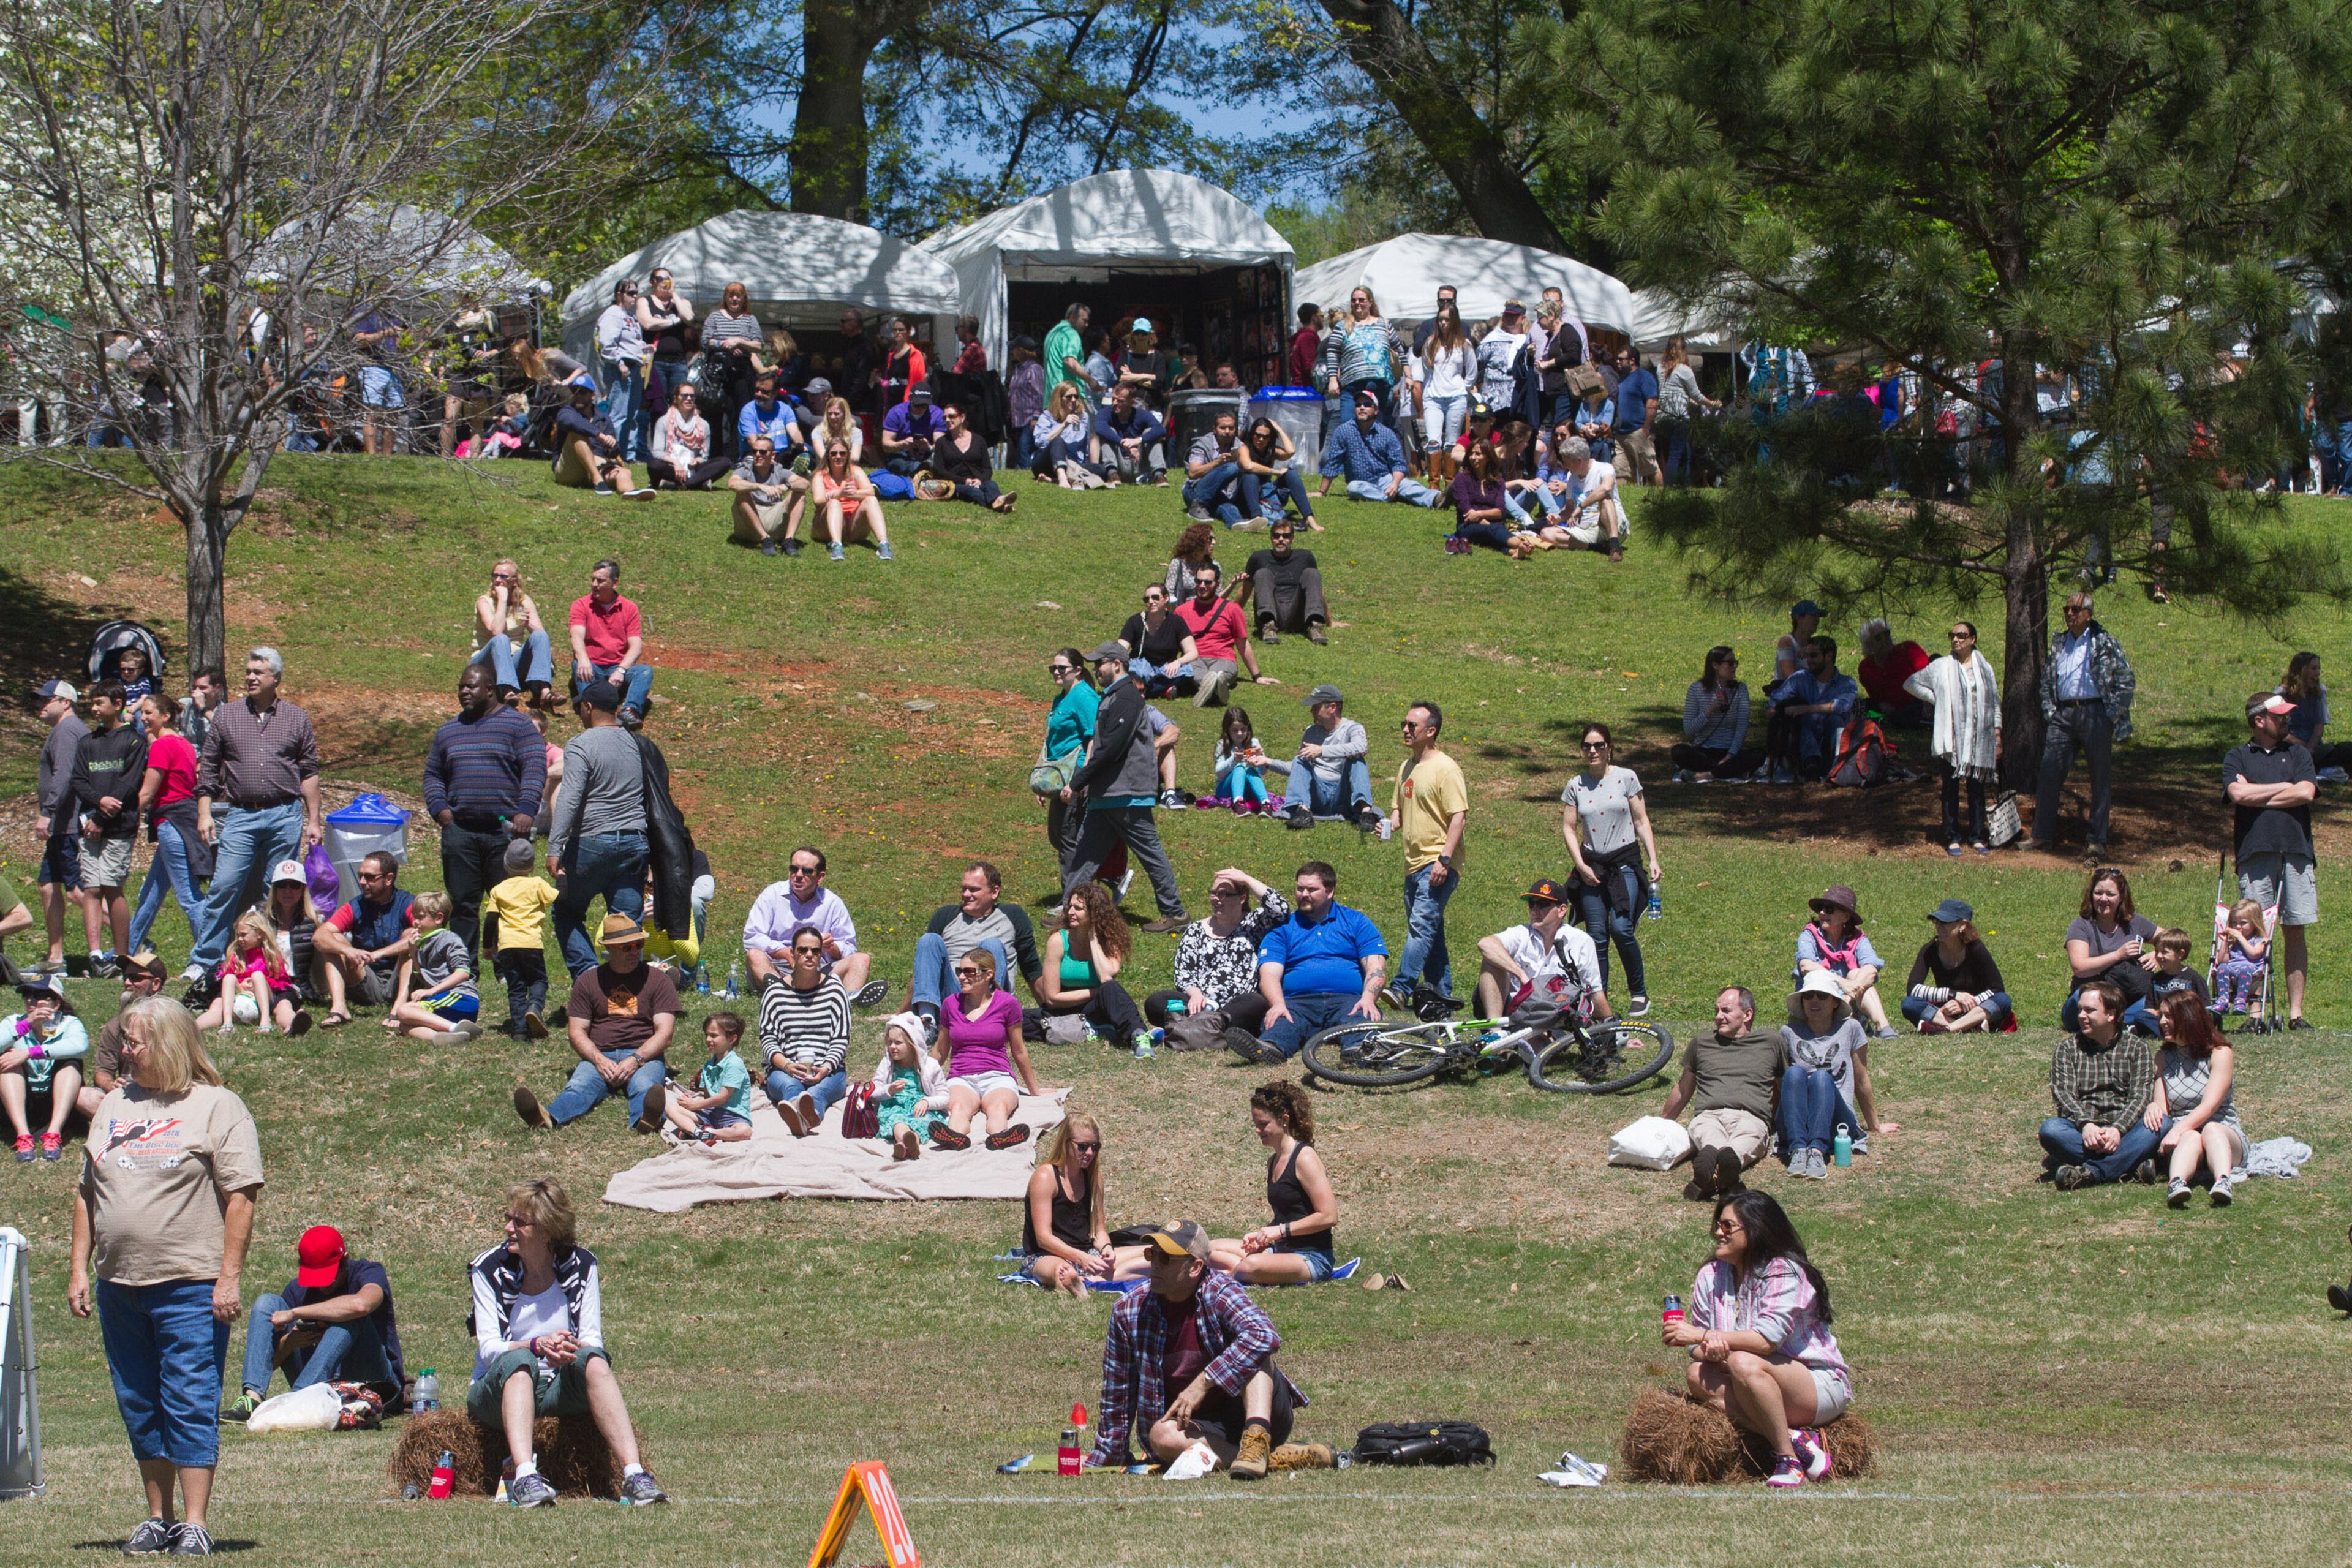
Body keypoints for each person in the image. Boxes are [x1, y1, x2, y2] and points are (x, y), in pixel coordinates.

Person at [68, 997, 263, 1557]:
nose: (124, 1052)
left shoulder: (218, 1106)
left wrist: (228, 1278)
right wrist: (79, 1267)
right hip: (119, 1286)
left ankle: (196, 1524)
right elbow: (88, 1193)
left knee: (189, 1396)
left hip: (190, 1285)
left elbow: (242, 1198)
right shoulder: (113, 1106)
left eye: (136, 1042)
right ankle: (158, 1517)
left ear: (172, 1044)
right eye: (125, 1041)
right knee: (139, 1400)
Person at [465, 1179, 668, 1508]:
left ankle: (634, 1476)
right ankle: (526, 1477)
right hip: (497, 1389)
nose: (508, 1228)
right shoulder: (488, 1269)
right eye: (508, 1218)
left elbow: (592, 1339)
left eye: (519, 1222)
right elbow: (490, 1349)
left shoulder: (582, 1265)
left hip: (559, 1386)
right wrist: (536, 1346)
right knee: (520, 1365)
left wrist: (566, 1352)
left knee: (595, 1360)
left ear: (547, 1230)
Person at [1087, 1219, 1313, 1480]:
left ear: (1195, 1267)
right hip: (1199, 1429)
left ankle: (1257, 1439)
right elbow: (1119, 1391)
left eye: (1166, 1258)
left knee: (1254, 1352)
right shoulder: (1128, 1311)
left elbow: (1264, 1335)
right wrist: (1109, 1453)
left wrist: (1203, 1383)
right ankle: (1270, 1459)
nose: (1155, 1264)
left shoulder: (1219, 1291)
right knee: (1160, 1436)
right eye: (1152, 1255)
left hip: (1258, 1413)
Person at [1665, 1191, 1852, 1488]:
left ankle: (1787, 1460)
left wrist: (1705, 1336)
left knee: (1742, 1361)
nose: (1717, 1232)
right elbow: (1696, 1350)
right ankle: (1794, 1439)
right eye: (1717, 1224)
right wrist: (1709, 1350)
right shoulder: (1710, 1276)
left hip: (1816, 1384)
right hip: (1750, 1378)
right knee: (1697, 1374)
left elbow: (1767, 1342)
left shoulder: (1783, 1271)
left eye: (1727, 1226)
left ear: (1754, 1229)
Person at [189, 648, 323, 1000]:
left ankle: (267, 963)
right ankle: (204, 961)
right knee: (224, 885)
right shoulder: (228, 715)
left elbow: (309, 772)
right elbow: (207, 768)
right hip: (241, 814)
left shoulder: (296, 718)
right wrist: (204, 813)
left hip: (284, 813)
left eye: (259, 672)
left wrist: (314, 820)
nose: (250, 677)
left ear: (276, 678)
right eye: (248, 671)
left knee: (274, 893)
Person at [1058, 644, 1188, 931]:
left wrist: (1078, 782)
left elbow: (1111, 750)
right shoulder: (1112, 697)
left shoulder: (1127, 697)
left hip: (1127, 795)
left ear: (1117, 664)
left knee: (1150, 854)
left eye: (1100, 663)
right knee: (1084, 857)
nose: (1095, 670)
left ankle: (1175, 913)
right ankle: (1069, 910)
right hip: (1107, 795)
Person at [424, 664, 545, 969]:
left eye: (471, 687)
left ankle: (509, 967)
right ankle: (464, 967)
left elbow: (534, 767)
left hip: (504, 832)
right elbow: (433, 775)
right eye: (461, 687)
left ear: (490, 690)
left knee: (507, 903)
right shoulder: (448, 731)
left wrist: (526, 810)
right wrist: (441, 811)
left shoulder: (518, 726)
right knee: (463, 904)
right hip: (460, 831)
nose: (464, 692)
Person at [511, 913, 676, 1134]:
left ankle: (646, 1120)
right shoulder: (588, 982)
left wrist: (636, 1059)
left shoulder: (658, 980)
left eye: (639, 944)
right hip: (600, 1054)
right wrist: (598, 1060)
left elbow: (665, 1033)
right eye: (627, 947)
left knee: (644, 1087)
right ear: (610, 949)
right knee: (579, 1087)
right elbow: (576, 1031)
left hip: (643, 1056)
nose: (635, 951)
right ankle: (547, 1117)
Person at [220, 1224, 403, 1422]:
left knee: (350, 1317)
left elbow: (362, 1305)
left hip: (372, 1382)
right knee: (266, 1303)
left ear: (345, 1259)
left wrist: (294, 1313)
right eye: (317, 1278)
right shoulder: (297, 1291)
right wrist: (291, 1342)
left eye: (328, 1276)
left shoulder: (368, 1272)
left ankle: (294, 1402)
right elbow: (268, 1364)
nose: (323, 1285)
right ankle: (252, 1398)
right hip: (318, 1387)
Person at [2225, 691, 2317, 1028]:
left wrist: (2258, 794)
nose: (2286, 721)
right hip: (2255, 851)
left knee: (2296, 930)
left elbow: (2306, 792)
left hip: (2296, 852)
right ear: (2259, 721)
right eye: (2279, 716)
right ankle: (2255, 1014)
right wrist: (2284, 788)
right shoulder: (2238, 756)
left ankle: (2295, 1015)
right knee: (2253, 933)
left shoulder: (2298, 753)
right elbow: (2236, 794)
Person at [545, 680, 649, 976]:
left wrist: (554, 847)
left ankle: (590, 980)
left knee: (566, 911)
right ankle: (626, 991)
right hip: (634, 842)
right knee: (628, 924)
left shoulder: (582, 744)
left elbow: (570, 796)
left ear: (588, 708)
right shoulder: (636, 742)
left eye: (580, 708)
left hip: (592, 841)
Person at [1239, 862, 1387, 1063]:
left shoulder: (1356, 922)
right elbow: (1269, 975)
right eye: (1300, 889)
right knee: (1283, 1021)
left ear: (1330, 891)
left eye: (1312, 889)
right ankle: (1270, 1048)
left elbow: (1376, 967)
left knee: (1362, 1017)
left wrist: (1368, 999)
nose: (1304, 894)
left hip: (1347, 1001)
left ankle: (1359, 1048)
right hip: (1299, 1002)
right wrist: (1278, 1004)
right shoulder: (1282, 929)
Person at [1561, 723, 1659, 1017]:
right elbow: (1568, 828)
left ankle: (1639, 993)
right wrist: (1580, 865)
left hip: (1625, 862)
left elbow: (1641, 820)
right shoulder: (1575, 785)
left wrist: (1653, 858)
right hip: (1592, 865)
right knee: (1596, 936)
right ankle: (1598, 999)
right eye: (1588, 746)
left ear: (1610, 748)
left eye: (1599, 745)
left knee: (1621, 928)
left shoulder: (1626, 778)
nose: (1593, 751)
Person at [2027, 592, 2135, 853]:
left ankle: (2097, 840)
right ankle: (2041, 835)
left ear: (2089, 614)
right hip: (2062, 716)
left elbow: (2126, 679)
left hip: (2095, 713)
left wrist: (2111, 713)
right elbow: (2047, 680)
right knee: (2049, 774)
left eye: (2075, 609)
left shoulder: (2104, 642)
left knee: (2100, 778)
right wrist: (2051, 711)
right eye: (2067, 609)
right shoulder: (2060, 643)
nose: (2069, 614)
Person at [1206, 1080, 1340, 1284]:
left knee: (1249, 1267)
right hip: (1280, 1249)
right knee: (1208, 1248)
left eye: (1263, 1124)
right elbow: (1290, 1213)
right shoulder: (1273, 1161)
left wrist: (1279, 1231)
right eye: (1255, 1124)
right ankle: (1230, 1271)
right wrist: (1262, 1236)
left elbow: (1329, 1216)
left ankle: (1220, 1278)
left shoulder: (1305, 1158)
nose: (1257, 1131)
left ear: (1284, 1120)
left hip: (1312, 1258)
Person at [1660, 985, 1784, 1199]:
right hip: (1709, 1115)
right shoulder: (1702, 1043)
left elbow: (1784, 1086)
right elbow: (1684, 1087)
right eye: (1717, 1011)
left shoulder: (1771, 1042)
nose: (1719, 1017)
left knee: (1746, 1138)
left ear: (1747, 1014)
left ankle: (1713, 1175)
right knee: (1709, 1137)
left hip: (1751, 1116)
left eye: (1726, 1011)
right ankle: (1726, 1173)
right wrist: (1661, 1122)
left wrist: (1789, 1131)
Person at [2042, 979, 2162, 1189]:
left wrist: (2118, 1129)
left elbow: (2141, 1096)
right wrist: (2086, 1124)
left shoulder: (2137, 1047)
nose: (2081, 1016)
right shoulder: (2068, 1048)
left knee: (2163, 1125)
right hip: (2084, 1132)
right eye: (2080, 1010)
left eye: (2089, 1011)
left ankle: (2091, 1173)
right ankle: (2131, 1163)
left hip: (2127, 1129)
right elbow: (2063, 1095)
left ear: (2111, 1015)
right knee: (2051, 1130)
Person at [1144, 867, 1291, 1038]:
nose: (1216, 899)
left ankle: (1190, 1028)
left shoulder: (1254, 923)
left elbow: (1281, 909)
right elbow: (1183, 974)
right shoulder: (1196, 930)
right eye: (1214, 893)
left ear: (1242, 899)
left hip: (1236, 1006)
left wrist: (1247, 880)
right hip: (1197, 1005)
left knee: (1256, 1002)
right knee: (1155, 1002)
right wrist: (1196, 994)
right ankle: (1211, 1029)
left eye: (1224, 895)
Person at [1778, 970, 1894, 1180]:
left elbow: (1861, 1079)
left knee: (1822, 1078)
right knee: (1794, 1073)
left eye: (1822, 996)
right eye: (1809, 996)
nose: (1814, 1001)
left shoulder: (1851, 1028)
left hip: (1837, 1121)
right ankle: (1798, 1150)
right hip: (1799, 1121)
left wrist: (1874, 1124)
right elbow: (1782, 1084)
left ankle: (1816, 1152)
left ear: (1834, 1002)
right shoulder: (1787, 1032)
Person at [907, 862, 1046, 1036]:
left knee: (992, 945)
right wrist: (901, 1012)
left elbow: (1031, 968)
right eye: (964, 889)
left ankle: (988, 1020)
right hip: (953, 996)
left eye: (973, 890)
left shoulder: (1012, 916)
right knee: (929, 940)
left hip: (989, 997)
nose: (966, 894)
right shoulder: (946, 916)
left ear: (994, 892)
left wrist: (1049, 1009)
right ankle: (928, 1023)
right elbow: (925, 970)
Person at [1388, 701, 1468, 1005]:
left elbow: (1458, 816)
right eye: (1404, 725)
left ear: (1431, 732)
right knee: (1430, 934)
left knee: (1422, 927)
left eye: (1412, 726)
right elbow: (1400, 807)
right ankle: (1441, 999)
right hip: (1413, 863)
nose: (1405, 730)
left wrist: (1444, 860)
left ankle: (1401, 987)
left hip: (1436, 863)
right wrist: (1390, 822)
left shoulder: (1446, 768)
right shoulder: (1407, 767)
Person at [932, 939, 1041, 1151]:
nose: (961, 977)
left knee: (998, 1109)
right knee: (959, 1108)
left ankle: (1000, 1137)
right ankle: (954, 1138)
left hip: (997, 1076)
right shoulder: (950, 1004)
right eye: (959, 971)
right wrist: (921, 1080)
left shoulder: (1007, 1004)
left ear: (988, 974)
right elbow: (940, 1050)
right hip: (961, 1077)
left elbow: (1019, 1050)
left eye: (969, 972)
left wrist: (1034, 1091)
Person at [71, 679, 148, 974]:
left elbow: (128, 784)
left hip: (118, 827)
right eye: (92, 703)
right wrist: (96, 805)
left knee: (113, 888)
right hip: (89, 825)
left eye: (99, 703)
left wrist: (103, 817)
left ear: (117, 704)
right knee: (91, 888)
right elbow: (78, 780)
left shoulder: (134, 741)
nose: (93, 709)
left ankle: (120, 956)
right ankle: (95, 956)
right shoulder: (87, 743)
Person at [1024, 1114, 1149, 1294]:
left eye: (1095, 1147)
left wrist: (1107, 1249)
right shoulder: (1045, 1177)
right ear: (1066, 1143)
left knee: (1153, 1252)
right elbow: (1043, 1239)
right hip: (1047, 1256)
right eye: (1082, 1147)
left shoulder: (1095, 1179)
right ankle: (1082, 1280)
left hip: (1088, 1254)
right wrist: (1080, 1258)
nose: (1089, 1153)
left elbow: (1099, 1231)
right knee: (1061, 1270)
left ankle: (1088, 1280)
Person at [1906, 622, 2000, 854]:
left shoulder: (1985, 668)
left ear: (1973, 639)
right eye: (1953, 635)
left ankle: (1977, 836)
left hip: (1979, 740)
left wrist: (1997, 733)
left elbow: (1995, 702)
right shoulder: (1941, 666)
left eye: (1962, 635)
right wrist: (1937, 698)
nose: (1956, 640)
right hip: (1953, 740)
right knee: (1950, 788)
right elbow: (1911, 683)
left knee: (1977, 786)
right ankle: (1951, 836)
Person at [741, 846, 882, 1001]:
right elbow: (751, 937)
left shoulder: (832, 903)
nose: (798, 875)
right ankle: (781, 993)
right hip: (778, 967)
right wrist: (784, 952)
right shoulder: (772, 895)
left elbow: (850, 948)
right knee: (755, 955)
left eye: (807, 871)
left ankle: (848, 1000)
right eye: (794, 869)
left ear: (820, 877)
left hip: (818, 971)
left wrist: (832, 948)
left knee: (861, 959)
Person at [2146, 990, 2246, 1208]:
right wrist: (2153, 1107)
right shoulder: (2163, 1058)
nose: (2163, 1022)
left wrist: (2176, 1130)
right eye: (2161, 1016)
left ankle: (2223, 1181)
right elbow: (2163, 1107)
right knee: (2191, 1136)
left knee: (2211, 1129)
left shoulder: (2220, 1053)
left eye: (2169, 1016)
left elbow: (2210, 1106)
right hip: (2184, 1139)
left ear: (2189, 1017)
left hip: (2223, 1132)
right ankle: (2177, 1184)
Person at [1028, 883, 1152, 1054]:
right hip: (1063, 1009)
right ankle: (1092, 1029)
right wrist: (1095, 992)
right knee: (1019, 1020)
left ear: (1094, 914)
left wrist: (1093, 937)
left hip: (1096, 1009)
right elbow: (1051, 998)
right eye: (1070, 906)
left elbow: (1106, 978)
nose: (1070, 912)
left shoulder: (1109, 940)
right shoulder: (1058, 941)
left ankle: (1138, 1036)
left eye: (1078, 908)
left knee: (1110, 988)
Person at [1472, 877, 1611, 1024]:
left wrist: (1613, 1029)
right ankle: (1496, 1034)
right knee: (1492, 961)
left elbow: (1595, 992)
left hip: (1551, 1016)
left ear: (1562, 910)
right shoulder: (1521, 933)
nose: (1535, 910)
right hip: (1511, 1011)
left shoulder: (1581, 941)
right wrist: (1521, 975)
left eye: (1543, 905)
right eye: (1531, 905)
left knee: (1540, 1042)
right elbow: (1485, 944)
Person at [755, 925, 852, 1136]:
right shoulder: (775, 993)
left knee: (818, 1092)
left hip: (829, 1070)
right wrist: (788, 1066)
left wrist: (826, 1067)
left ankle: (804, 1117)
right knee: (790, 1087)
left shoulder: (835, 991)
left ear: (821, 955)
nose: (809, 955)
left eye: (815, 951)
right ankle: (802, 1114)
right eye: (803, 950)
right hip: (785, 1069)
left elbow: (841, 1039)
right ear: (792, 953)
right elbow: (768, 1040)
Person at [34, 678, 90, 978]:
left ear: (66, 702)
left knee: (78, 892)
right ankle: (56, 957)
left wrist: (48, 812)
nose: (41, 705)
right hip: (60, 826)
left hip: (67, 824)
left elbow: (65, 774)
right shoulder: (64, 730)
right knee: (47, 885)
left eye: (47, 699)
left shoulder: (68, 731)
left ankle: (134, 939)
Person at [2061, 867, 2158, 1033]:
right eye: (2098, 893)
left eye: (2110, 895)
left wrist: (2158, 954)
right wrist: (2119, 955)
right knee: (2087, 998)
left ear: (2121, 897)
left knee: (2159, 993)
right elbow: (2080, 968)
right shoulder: (2081, 925)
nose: (2103, 899)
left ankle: (2119, 1022)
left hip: (2128, 998)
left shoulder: (2134, 922)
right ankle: (2124, 1023)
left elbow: (2174, 940)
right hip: (2090, 997)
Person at [1794, 884, 1896, 1038]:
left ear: (1846, 916)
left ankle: (1883, 1027)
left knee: (1857, 973)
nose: (1822, 913)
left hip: (1848, 1004)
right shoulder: (1809, 935)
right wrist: (1842, 983)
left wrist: (1848, 995)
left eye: (1829, 909)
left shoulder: (1858, 939)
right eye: (1821, 908)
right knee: (1820, 978)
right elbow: (1806, 966)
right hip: (1817, 1004)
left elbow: (1871, 968)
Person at [3, 974, 86, 1161]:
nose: (32, 1000)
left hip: (56, 1099)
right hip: (21, 1097)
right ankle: (23, 1136)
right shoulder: (14, 1022)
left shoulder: (69, 1024)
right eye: (27, 995)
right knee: (7, 1063)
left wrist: (30, 1052)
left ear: (56, 1003)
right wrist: (25, 1026)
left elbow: (81, 1046)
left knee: (71, 1064)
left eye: (40, 995)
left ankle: (53, 1134)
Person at [380, 891, 481, 1044]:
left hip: (460, 997)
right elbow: (423, 975)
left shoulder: (449, 939)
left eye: (420, 917)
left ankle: (455, 1028)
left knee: (404, 1010)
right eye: (415, 917)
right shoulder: (423, 942)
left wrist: (431, 991)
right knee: (404, 1024)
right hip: (443, 1002)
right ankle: (444, 1037)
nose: (415, 922)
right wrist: (413, 952)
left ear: (439, 918)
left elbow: (463, 973)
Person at [1902, 899, 2012, 1033]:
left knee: (2003, 1000)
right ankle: (1971, 1028)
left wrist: (1965, 1005)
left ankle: (1947, 1029)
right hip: (1946, 1010)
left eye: (1945, 922)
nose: (1938, 926)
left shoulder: (1975, 948)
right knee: (1909, 1004)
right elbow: (1913, 989)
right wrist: (1953, 995)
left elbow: (1997, 988)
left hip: (1977, 1009)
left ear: (1963, 925)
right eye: (1937, 922)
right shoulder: (1929, 950)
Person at [197, 910, 312, 1037]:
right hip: (239, 994)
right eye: (238, 935)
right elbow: (226, 976)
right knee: (221, 995)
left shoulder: (271, 955)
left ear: (259, 934)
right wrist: (243, 985)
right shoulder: (236, 954)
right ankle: (202, 1027)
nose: (240, 939)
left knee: (282, 1004)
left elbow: (281, 981)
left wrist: (260, 983)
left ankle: (287, 1024)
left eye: (244, 935)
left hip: (268, 996)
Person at [1319, 388, 1442, 507]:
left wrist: (1394, 483)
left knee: (1408, 486)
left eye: (1367, 404)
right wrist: (1321, 492)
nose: (1362, 408)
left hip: (1385, 478)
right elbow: (1332, 464)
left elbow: (1398, 464)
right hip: (1360, 482)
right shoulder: (1343, 431)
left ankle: (1437, 499)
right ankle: (1389, 496)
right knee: (1353, 488)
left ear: (1376, 410)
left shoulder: (1387, 433)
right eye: (1358, 405)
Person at [567, 559, 653, 726]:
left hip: (617, 667)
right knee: (579, 665)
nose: (594, 584)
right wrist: (583, 659)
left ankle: (629, 710)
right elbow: (576, 635)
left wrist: (621, 670)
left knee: (645, 672)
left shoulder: (629, 608)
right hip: (592, 667)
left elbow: (636, 646)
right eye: (593, 579)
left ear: (615, 583)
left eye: (600, 581)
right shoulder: (581, 605)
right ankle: (591, 709)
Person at [485, 839, 556, 1039]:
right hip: (531, 943)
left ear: (506, 864)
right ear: (532, 866)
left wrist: (487, 948)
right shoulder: (537, 884)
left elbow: (491, 920)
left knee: (516, 987)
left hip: (507, 946)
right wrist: (563, 878)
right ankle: (534, 1006)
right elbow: (561, 899)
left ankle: (518, 1032)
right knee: (538, 980)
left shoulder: (498, 889)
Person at [1279, 684, 1375, 831]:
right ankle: (1303, 812)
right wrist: (1267, 762)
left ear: (1332, 707)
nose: (1311, 711)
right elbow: (1297, 770)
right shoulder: (1311, 731)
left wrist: (1322, 751)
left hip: (1342, 793)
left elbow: (1361, 747)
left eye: (1316, 707)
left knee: (1357, 761)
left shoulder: (1352, 728)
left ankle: (1366, 814)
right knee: (1301, 759)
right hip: (1318, 793)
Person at [1227, 521, 1329, 647]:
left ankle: (1315, 626)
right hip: (1271, 610)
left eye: (1285, 536)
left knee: (1312, 573)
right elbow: (1245, 591)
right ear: (1271, 538)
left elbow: (1317, 590)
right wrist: (1227, 619)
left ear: (1292, 538)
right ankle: (1268, 626)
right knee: (1263, 573)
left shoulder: (1305, 557)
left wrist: (1330, 621)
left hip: (1297, 615)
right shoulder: (1258, 558)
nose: (1280, 539)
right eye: (1276, 536)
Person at [471, 559, 556, 708]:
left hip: (512, 663)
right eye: (495, 575)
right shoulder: (484, 602)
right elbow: (496, 631)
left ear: (515, 581)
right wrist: (502, 599)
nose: (498, 580)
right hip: (484, 664)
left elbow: (540, 637)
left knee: (540, 636)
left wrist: (529, 622)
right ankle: (507, 691)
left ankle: (544, 692)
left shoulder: (524, 601)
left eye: (503, 577)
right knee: (501, 640)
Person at [549, 375, 652, 497]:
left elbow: (613, 453)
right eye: (574, 392)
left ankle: (632, 494)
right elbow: (571, 422)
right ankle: (597, 480)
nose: (578, 396)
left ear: (593, 396)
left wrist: (612, 445)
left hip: (597, 462)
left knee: (623, 473)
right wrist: (599, 435)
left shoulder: (604, 419)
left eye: (582, 392)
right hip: (570, 468)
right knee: (577, 433)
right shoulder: (567, 412)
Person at [869, 1012, 948, 1161]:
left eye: (898, 1043)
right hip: (894, 1106)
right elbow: (873, 1092)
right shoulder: (887, 1064)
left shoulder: (930, 1066)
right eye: (889, 1042)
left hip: (920, 1107)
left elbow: (945, 1097)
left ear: (913, 1044)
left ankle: (910, 1145)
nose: (892, 1047)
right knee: (897, 1121)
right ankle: (906, 1143)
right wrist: (888, 1090)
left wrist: (927, 1102)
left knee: (920, 1123)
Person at [1673, 647, 1761, 782]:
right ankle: (1729, 771)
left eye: (1735, 662)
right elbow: (1689, 731)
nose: (1735, 666)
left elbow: (1742, 727)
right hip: (1704, 750)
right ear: (1715, 665)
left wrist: (1731, 754)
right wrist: (1709, 711)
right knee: (1678, 751)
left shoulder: (1740, 689)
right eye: (1730, 663)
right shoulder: (1696, 690)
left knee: (1759, 755)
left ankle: (1705, 775)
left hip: (1730, 750)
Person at [810, 440, 895, 562]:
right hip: (825, 526)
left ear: (848, 455)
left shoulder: (856, 471)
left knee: (871, 500)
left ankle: (884, 544)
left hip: (853, 526)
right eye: (834, 454)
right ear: (828, 456)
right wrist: (839, 494)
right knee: (834, 503)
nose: (838, 457)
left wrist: (853, 494)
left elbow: (870, 491)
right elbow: (818, 501)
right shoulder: (819, 475)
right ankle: (836, 545)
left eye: (842, 453)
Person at [593, 280, 649, 461]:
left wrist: (645, 348)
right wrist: (620, 364)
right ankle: (611, 453)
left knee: (632, 415)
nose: (635, 296)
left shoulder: (630, 317)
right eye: (631, 293)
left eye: (636, 293)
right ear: (619, 295)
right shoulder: (613, 314)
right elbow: (606, 343)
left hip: (634, 368)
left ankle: (628, 454)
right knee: (618, 415)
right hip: (620, 370)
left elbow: (633, 342)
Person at [727, 434, 807, 556]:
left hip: (774, 515)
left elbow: (805, 483)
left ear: (772, 455)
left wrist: (786, 486)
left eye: (763, 452)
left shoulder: (779, 471)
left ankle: (789, 540)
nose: (758, 455)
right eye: (754, 452)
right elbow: (732, 484)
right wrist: (758, 486)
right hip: (750, 522)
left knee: (800, 495)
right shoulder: (745, 469)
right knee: (742, 495)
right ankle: (765, 539)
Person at [2275, 651, 2352, 777]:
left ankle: (2318, 768)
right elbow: (2279, 732)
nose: (2318, 673)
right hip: (2289, 746)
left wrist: (2310, 748)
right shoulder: (2281, 695)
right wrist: (2303, 747)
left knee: (2348, 749)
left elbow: (2319, 727)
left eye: (2319, 668)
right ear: (2302, 671)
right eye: (2314, 669)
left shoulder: (2319, 691)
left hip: (2314, 748)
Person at [1654, 337, 1718, 486]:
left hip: (1663, 415)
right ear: (1683, 350)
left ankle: (1685, 482)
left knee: (1681, 451)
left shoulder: (1660, 368)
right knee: (1677, 453)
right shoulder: (1685, 370)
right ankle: (1672, 485)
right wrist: (1712, 403)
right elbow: (1696, 394)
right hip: (1680, 416)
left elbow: (1674, 392)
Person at [1117, 585, 1200, 699]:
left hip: (1166, 669)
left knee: (1187, 672)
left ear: (1166, 599)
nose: (1151, 602)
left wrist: (1178, 662)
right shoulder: (1135, 621)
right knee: (1136, 673)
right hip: (1142, 669)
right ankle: (1163, 689)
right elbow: (1120, 648)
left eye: (1155, 597)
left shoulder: (1177, 622)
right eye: (1147, 599)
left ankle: (1148, 690)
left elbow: (1193, 652)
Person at [636, 266, 696, 426]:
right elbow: (648, 323)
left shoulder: (681, 302)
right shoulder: (645, 301)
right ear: (652, 283)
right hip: (656, 362)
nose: (664, 282)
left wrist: (674, 294)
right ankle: (658, 445)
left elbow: (689, 317)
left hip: (679, 363)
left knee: (682, 404)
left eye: (668, 278)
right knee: (658, 406)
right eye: (660, 279)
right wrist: (675, 321)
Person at [931, 401, 1016, 511]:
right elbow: (939, 471)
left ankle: (999, 500)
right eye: (945, 418)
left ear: (962, 417)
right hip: (954, 483)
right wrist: (964, 481)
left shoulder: (979, 440)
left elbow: (987, 469)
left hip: (978, 481)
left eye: (951, 416)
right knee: (973, 492)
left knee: (991, 485)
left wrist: (980, 480)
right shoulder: (942, 443)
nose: (947, 420)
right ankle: (1001, 505)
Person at [1234, 417, 1317, 529]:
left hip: (1267, 494)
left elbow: (1290, 451)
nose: (1260, 439)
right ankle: (1257, 518)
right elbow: (1249, 466)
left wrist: (1278, 428)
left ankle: (1309, 517)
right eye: (1257, 435)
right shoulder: (1244, 448)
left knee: (1291, 474)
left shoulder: (1271, 451)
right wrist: (1274, 472)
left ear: (1270, 438)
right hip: (1247, 495)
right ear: (1252, 434)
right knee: (1251, 477)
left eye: (1265, 437)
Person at [646, 382, 728, 491]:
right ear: (676, 399)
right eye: (684, 396)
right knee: (654, 465)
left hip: (692, 468)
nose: (689, 399)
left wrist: (696, 461)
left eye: (692, 396)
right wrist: (676, 463)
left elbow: (704, 457)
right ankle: (698, 483)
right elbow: (657, 452)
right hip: (672, 467)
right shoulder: (664, 421)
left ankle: (683, 484)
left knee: (725, 462)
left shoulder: (704, 425)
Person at [1447, 437, 1520, 553]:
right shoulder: (1462, 479)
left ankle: (1513, 552)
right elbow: (1465, 509)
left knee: (1491, 533)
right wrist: (1484, 521)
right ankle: (1520, 545)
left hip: (1494, 525)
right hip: (1467, 526)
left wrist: (1481, 514)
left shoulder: (1499, 482)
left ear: (1488, 458)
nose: (1473, 458)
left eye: (1478, 454)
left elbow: (1501, 512)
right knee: (1492, 530)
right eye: (1471, 454)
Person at [1856, 619, 1931, 727]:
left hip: (1921, 700)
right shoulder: (1866, 668)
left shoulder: (1908, 649)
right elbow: (1877, 698)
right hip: (1899, 709)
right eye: (1878, 638)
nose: (1885, 640)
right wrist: (1882, 705)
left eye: (1887, 634)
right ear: (1869, 645)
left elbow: (1928, 675)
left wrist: (1927, 702)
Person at [1092, 385, 1167, 486]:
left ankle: (1159, 475)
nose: (1114, 403)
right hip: (1117, 463)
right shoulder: (1105, 413)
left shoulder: (1142, 415)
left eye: (1120, 401)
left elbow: (1160, 429)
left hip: (1138, 462)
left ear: (1132, 402)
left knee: (1151, 432)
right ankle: (1112, 475)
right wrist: (1122, 443)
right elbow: (1100, 428)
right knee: (1109, 431)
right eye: (1113, 399)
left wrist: (1139, 440)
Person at [1183, 409, 1249, 524]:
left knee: (1229, 508)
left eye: (1231, 428)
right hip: (1195, 491)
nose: (1227, 432)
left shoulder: (1238, 445)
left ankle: (1238, 523)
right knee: (1231, 468)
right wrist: (1217, 462)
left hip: (1220, 494)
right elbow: (1193, 473)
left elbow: (1249, 466)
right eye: (1223, 428)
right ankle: (1197, 505)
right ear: (1214, 429)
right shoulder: (1202, 445)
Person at [2211, 899, 2271, 1024]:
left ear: (2254, 923)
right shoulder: (2233, 940)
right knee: (2222, 967)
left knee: (2245, 969)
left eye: (2243, 923)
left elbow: (2254, 954)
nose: (2238, 927)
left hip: (2252, 972)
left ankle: (2240, 1001)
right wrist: (2225, 943)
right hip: (2232, 971)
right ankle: (2223, 999)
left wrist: (2240, 937)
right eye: (2234, 923)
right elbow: (2223, 961)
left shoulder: (2259, 940)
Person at [1609, 345, 1660, 485]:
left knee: (1650, 469)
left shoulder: (1644, 377)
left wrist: (1646, 427)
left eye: (1621, 359)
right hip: (1620, 434)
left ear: (1632, 360)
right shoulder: (1621, 379)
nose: (1618, 362)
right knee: (1620, 472)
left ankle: (1662, 499)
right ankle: (1625, 503)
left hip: (1638, 431)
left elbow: (1652, 402)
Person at [1032, 382, 1100, 486]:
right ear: (1059, 399)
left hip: (1072, 464)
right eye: (1069, 397)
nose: (1073, 400)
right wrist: (1064, 425)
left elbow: (1084, 446)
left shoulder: (1083, 417)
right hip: (1048, 463)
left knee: (1101, 470)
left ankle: (1052, 480)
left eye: (1076, 397)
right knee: (1058, 441)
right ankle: (1062, 478)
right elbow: (1040, 442)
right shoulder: (1047, 417)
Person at [878, 383, 944, 477]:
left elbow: (941, 445)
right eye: (917, 405)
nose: (920, 409)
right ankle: (920, 472)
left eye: (924, 406)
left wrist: (929, 447)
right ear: (910, 398)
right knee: (900, 464)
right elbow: (886, 445)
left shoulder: (937, 415)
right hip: (901, 454)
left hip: (927, 455)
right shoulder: (896, 413)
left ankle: (923, 471)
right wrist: (903, 444)